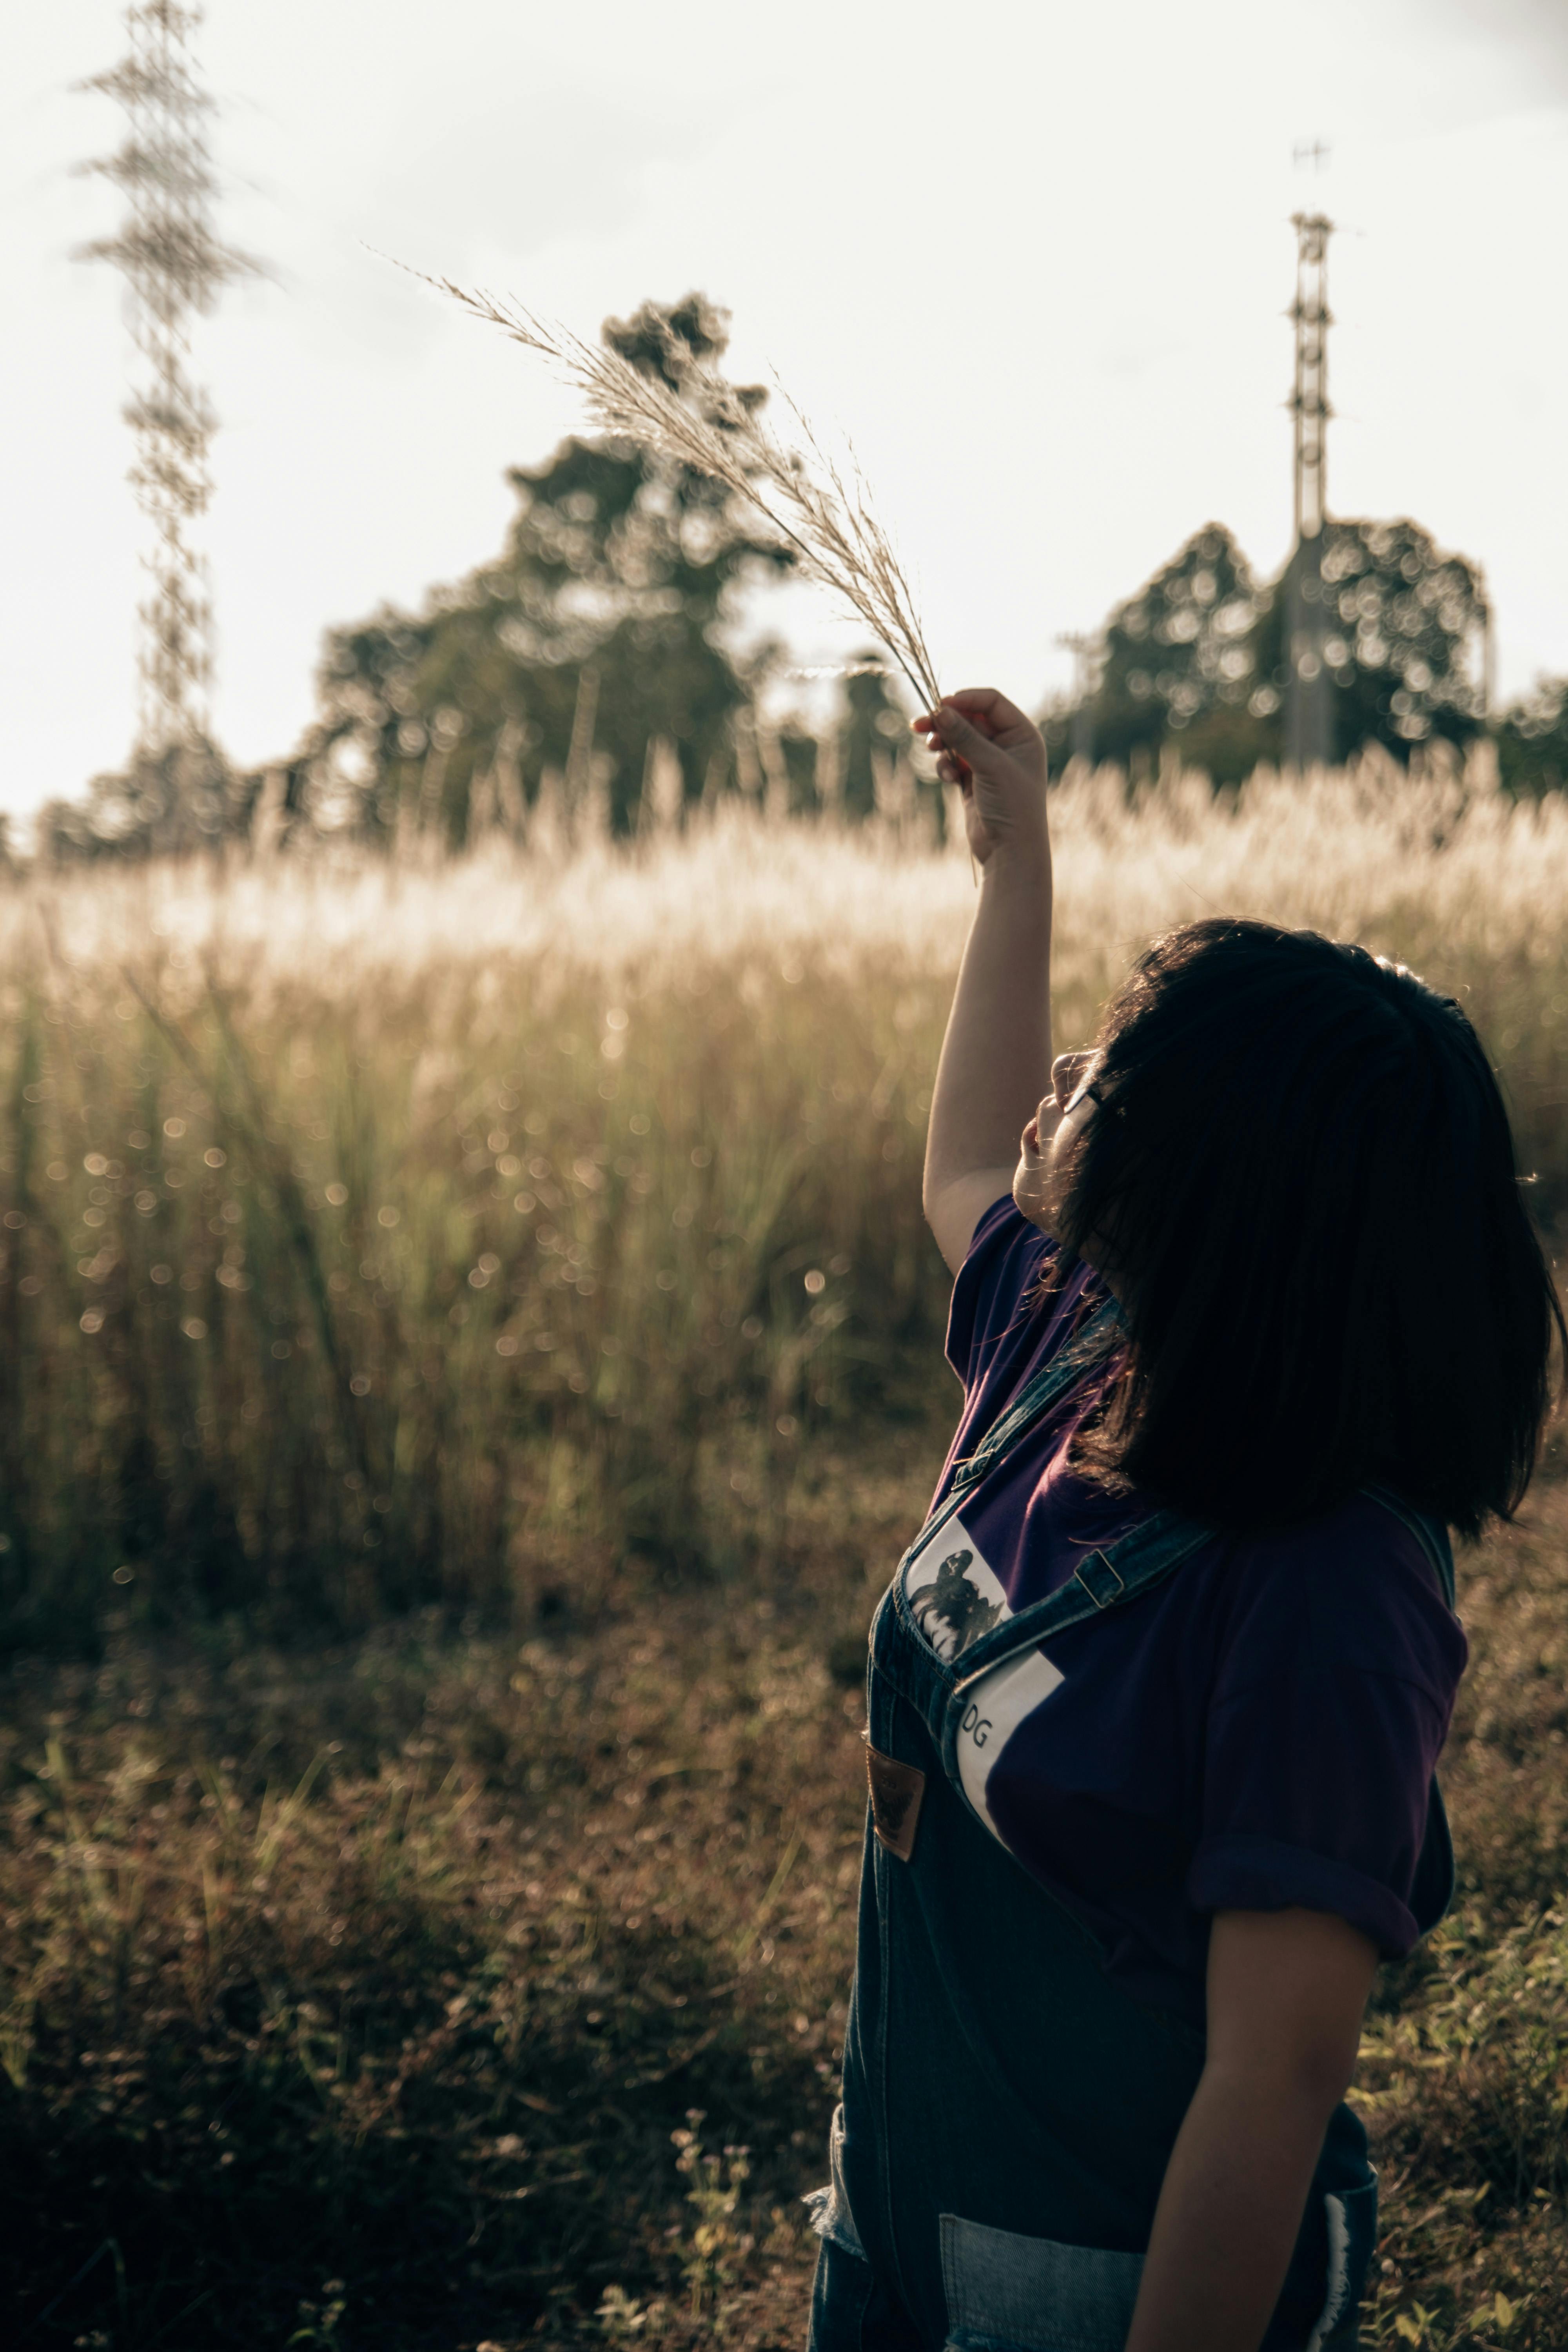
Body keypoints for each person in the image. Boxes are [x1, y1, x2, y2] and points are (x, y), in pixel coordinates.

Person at [804, 690, 1563, 2352]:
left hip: (1095, 2290)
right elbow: (961, 1177)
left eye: (1110, 1078)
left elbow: (1268, 2082)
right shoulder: (1076, 1342)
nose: (1067, 1074)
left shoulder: (1331, 1597)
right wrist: (1018, 866)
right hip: (898, 2214)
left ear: (1208, 1191)